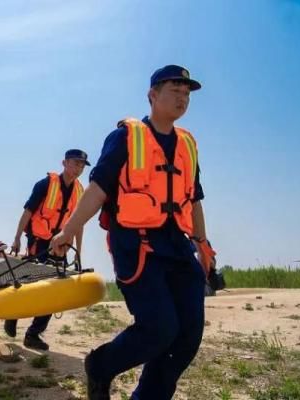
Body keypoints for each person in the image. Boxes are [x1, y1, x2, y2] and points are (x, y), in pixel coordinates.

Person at [50, 65, 214, 400]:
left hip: (178, 247)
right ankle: (101, 365)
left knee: (187, 336)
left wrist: (202, 243)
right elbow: (97, 189)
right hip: (137, 245)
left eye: (187, 94)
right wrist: (69, 230)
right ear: (152, 95)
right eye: (174, 91)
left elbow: (193, 198)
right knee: (159, 329)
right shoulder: (126, 137)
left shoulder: (187, 145)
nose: (182, 98)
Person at [5, 149, 89, 351]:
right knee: (29, 283)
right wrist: (16, 238)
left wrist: (77, 251)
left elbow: (78, 223)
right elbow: (28, 211)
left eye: (81, 165)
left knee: (54, 290)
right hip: (39, 241)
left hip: (61, 244)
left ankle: (33, 334)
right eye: (75, 163)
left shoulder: (81, 192)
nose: (78, 168)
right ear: (64, 163)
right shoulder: (45, 185)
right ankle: (13, 314)